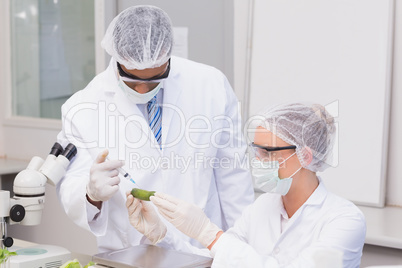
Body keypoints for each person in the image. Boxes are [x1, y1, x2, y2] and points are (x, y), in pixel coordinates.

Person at [56, 5, 254, 254]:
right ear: (117, 59)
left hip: (201, 251)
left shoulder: (210, 85)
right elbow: (70, 184)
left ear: (167, 57)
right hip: (128, 252)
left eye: (154, 80)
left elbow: (233, 176)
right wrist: (90, 193)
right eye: (132, 80)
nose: (142, 90)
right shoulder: (82, 106)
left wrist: (239, 251)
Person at [140, 103, 366, 267]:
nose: (258, 160)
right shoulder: (262, 206)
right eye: (256, 150)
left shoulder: (344, 220)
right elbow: (217, 259)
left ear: (306, 156)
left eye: (268, 151)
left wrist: (208, 233)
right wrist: (163, 236)